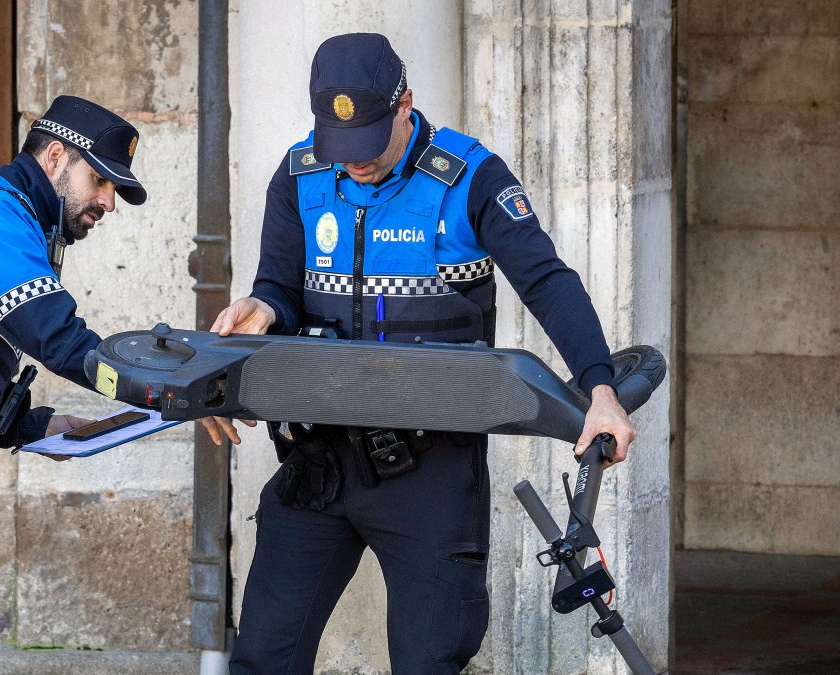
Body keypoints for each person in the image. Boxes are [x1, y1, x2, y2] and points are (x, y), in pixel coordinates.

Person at [208, 34, 637, 674]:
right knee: (263, 656)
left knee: (427, 661)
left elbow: (547, 281)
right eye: (338, 145)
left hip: (429, 467)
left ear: (406, 102)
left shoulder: (469, 177)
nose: (352, 163)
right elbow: (281, 287)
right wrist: (263, 309)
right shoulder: (299, 174)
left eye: (368, 143)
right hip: (317, 459)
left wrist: (600, 390)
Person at [0, 94, 148, 674]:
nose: (108, 202)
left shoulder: (17, 219)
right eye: (100, 181)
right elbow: (58, 339)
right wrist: (167, 390)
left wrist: (32, 425)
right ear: (56, 156)